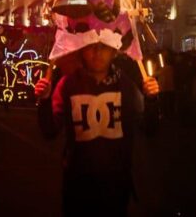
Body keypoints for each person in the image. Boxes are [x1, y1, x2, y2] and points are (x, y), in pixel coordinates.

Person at [35, 42, 160, 216]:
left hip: (116, 185)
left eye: (104, 47)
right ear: (82, 49)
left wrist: (152, 100)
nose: (97, 52)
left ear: (114, 51)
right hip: (77, 185)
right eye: (91, 46)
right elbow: (49, 131)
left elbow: (149, 128)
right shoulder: (67, 84)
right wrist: (45, 100)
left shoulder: (126, 85)